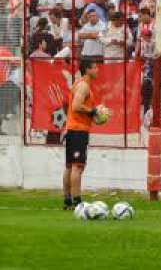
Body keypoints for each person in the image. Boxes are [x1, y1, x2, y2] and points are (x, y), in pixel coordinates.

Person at [62, 56, 103, 210]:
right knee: (77, 167)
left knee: (70, 166)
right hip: (78, 130)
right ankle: (77, 201)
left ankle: (67, 201)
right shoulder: (83, 86)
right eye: (95, 67)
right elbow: (75, 106)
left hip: (74, 129)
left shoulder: (79, 84)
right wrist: (93, 111)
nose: (97, 70)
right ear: (87, 69)